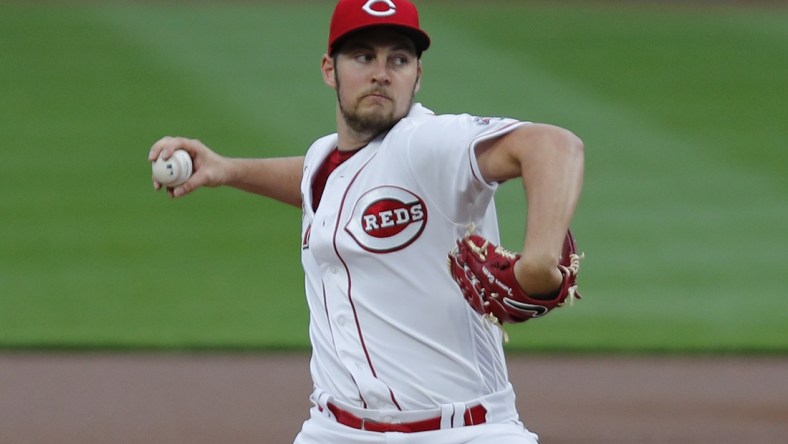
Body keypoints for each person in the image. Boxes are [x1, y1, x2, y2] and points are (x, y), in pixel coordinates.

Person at [148, 0, 584, 442]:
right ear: (328, 70)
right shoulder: (325, 157)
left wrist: (537, 264)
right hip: (333, 429)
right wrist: (226, 169)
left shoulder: (428, 144)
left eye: (399, 59)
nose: (381, 72)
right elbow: (323, 179)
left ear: (417, 75)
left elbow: (555, 146)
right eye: (363, 57)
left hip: (464, 432)